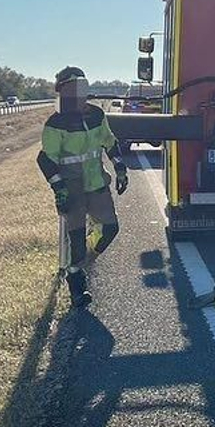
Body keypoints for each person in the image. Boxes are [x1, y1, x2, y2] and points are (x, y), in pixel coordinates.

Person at [38, 65, 128, 308]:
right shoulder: (55, 124)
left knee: (110, 228)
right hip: (73, 189)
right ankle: (77, 284)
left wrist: (120, 168)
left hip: (97, 183)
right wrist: (60, 190)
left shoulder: (96, 116)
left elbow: (110, 143)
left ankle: (85, 259)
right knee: (75, 238)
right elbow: (46, 159)